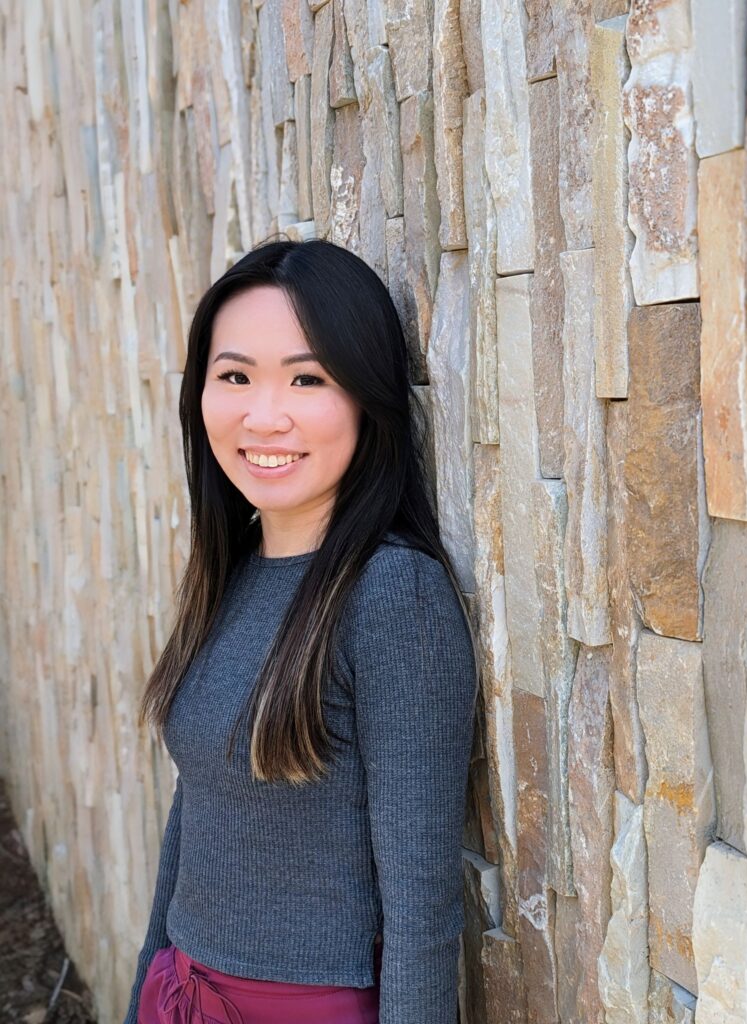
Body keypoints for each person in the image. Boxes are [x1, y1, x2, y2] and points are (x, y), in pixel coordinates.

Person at [123, 236, 481, 1024]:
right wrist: (145, 984)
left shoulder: (392, 594)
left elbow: (423, 912)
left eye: (307, 378)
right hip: (181, 993)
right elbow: (199, 813)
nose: (264, 414)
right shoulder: (239, 567)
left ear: (365, 397)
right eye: (235, 376)